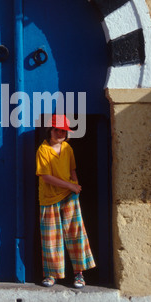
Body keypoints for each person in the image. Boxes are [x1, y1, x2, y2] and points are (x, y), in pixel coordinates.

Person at [36, 114, 96, 288]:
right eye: (57, 130)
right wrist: (70, 186)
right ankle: (51, 274)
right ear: (50, 130)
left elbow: (72, 170)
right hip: (49, 198)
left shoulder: (68, 148)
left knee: (76, 234)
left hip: (70, 196)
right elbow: (46, 176)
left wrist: (75, 186)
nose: (60, 133)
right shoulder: (43, 150)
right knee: (51, 237)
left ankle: (79, 274)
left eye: (63, 130)